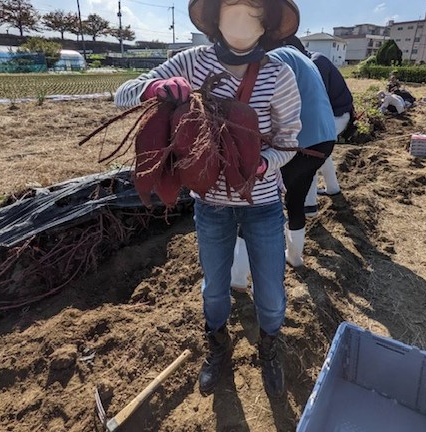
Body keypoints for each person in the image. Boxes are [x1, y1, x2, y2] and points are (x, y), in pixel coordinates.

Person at [115, 0, 302, 398]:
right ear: (215, 15)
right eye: (231, 5)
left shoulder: (279, 74)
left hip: (263, 203)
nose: (242, 15)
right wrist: (154, 88)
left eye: (253, 8)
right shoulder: (192, 62)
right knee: (214, 288)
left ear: (267, 22)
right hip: (211, 205)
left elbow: (289, 141)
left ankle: (269, 348)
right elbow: (123, 94)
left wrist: (262, 165)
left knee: (270, 292)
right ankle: (217, 346)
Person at [231, 41, 336, 291]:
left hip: (297, 144)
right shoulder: (308, 62)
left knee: (260, 204)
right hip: (325, 140)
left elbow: (258, 101)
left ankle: (238, 277)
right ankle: (295, 257)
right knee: (296, 199)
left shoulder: (275, 58)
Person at [291, 40, 355, 212]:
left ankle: (308, 205)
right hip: (334, 114)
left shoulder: (315, 63)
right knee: (321, 152)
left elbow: (315, 102)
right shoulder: (311, 61)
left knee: (309, 150)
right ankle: (333, 188)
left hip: (337, 115)